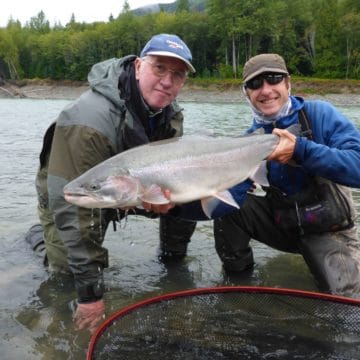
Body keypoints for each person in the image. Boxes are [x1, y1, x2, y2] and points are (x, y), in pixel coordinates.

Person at [28, 34, 197, 333]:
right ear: (138, 66)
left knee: (190, 195)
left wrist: (168, 199)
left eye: (177, 74)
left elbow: (172, 176)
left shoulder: (170, 115)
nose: (167, 81)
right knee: (67, 271)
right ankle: (38, 238)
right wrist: (90, 295)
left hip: (126, 187)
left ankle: (173, 262)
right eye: (159, 68)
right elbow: (73, 210)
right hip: (72, 194)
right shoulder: (88, 121)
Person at [210, 53, 360, 298]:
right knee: (228, 206)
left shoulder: (320, 114)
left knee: (345, 307)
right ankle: (239, 284)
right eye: (255, 84)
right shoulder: (251, 138)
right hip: (284, 224)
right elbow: (230, 194)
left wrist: (301, 150)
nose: (266, 90)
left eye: (273, 79)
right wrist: (179, 199)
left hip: (329, 230)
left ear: (288, 84)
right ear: (246, 93)